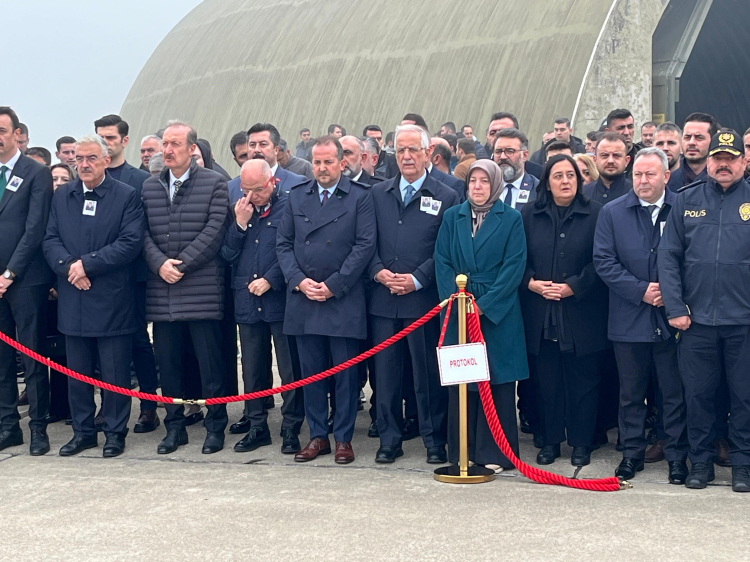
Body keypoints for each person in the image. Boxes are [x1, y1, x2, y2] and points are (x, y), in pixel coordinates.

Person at [658, 129, 750, 492]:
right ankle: (700, 462)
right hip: (695, 321)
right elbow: (668, 257)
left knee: (744, 397)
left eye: (730, 159)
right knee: (698, 396)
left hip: (743, 321)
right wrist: (675, 307)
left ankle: (742, 463)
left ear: (742, 161)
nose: (724, 165)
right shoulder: (686, 199)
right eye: (718, 158)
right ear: (709, 162)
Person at [42, 134, 145, 457]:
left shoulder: (126, 195)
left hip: (112, 299)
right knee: (78, 374)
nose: (84, 165)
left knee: (114, 374)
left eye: (91, 158)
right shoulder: (63, 196)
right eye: (79, 159)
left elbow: (130, 243)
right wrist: (69, 267)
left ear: (105, 161)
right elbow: (50, 239)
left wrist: (87, 265)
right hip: (73, 296)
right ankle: (83, 432)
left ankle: (115, 432)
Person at [276, 135, 376, 464]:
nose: (321, 168)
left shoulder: (360, 196)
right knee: (312, 373)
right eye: (317, 162)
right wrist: (298, 281)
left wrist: (335, 284)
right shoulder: (296, 196)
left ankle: (343, 437)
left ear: (342, 163)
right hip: (305, 298)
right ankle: (318, 436)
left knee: (345, 375)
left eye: (328, 162)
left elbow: (364, 245)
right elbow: (283, 244)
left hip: (341, 298)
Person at [593, 147, 688, 483]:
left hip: (670, 318)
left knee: (672, 393)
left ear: (666, 176)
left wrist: (670, 293)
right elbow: (603, 261)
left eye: (650, 174)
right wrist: (641, 290)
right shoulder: (612, 212)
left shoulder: (683, 209)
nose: (643, 180)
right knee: (631, 394)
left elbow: (693, 257)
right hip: (629, 317)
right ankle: (632, 453)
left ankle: (677, 456)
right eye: (637, 174)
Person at [368, 124, 459, 464]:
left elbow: (447, 249)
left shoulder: (447, 196)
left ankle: (434, 440)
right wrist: (377, 271)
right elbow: (365, 241)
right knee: (386, 376)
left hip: (423, 301)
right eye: (400, 150)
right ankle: (389, 440)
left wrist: (418, 279)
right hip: (383, 300)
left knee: (427, 375)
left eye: (413, 150)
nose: (406, 156)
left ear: (427, 153)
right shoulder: (377, 193)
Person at [141, 120, 230, 455]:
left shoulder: (214, 182)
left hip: (200, 289)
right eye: (165, 144)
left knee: (210, 366)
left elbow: (215, 230)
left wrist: (181, 264)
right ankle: (175, 428)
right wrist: (159, 263)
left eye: (175, 144)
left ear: (192, 149)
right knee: (169, 367)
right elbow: (142, 232)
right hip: (162, 291)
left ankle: (215, 427)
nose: (168, 150)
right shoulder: (150, 186)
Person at [435, 159, 528, 473]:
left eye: (484, 181)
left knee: (496, 381)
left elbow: (514, 266)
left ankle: (496, 453)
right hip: (459, 306)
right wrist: (456, 299)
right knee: (463, 377)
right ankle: (463, 450)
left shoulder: (511, 218)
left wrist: (485, 304)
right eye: (473, 180)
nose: (477, 186)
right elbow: (442, 260)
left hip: (496, 311)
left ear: (496, 185)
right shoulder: (452, 216)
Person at [520, 154, 608, 467]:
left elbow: (603, 260)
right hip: (541, 312)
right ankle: (550, 441)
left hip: (582, 312)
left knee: (584, 382)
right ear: (547, 182)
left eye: (570, 175)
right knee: (547, 382)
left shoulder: (597, 213)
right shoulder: (529, 214)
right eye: (558, 176)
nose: (565, 181)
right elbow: (517, 257)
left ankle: (582, 443)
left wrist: (575, 285)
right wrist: (531, 282)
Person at [220, 160, 304, 454]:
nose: (252, 196)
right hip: (246, 299)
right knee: (252, 368)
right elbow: (227, 254)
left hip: (279, 299)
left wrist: (272, 279)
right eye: (246, 190)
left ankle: (291, 425)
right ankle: (257, 425)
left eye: (258, 189)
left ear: (272, 182)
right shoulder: (238, 209)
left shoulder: (289, 206)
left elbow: (294, 252)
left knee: (289, 367)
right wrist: (239, 224)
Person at [94, 114, 160, 434]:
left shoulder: (141, 180)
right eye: (100, 137)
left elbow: (145, 231)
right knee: (103, 345)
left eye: (110, 137)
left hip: (132, 276)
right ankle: (109, 406)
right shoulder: (90, 179)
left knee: (137, 341)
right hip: (98, 277)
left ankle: (148, 406)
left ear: (124, 140)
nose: (105, 143)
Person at [0, 107, 54, 456]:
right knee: (2, 359)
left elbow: (34, 230)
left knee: (32, 355)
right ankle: (8, 425)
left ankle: (38, 427)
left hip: (25, 280)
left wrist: (9, 274)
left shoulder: (35, 173)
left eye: (1, 130)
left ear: (16, 134)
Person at [228, 123, 307, 203]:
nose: (256, 150)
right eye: (252, 145)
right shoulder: (231, 188)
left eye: (263, 144)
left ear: (276, 150)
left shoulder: (297, 183)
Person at [667, 112, 718, 191]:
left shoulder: (721, 181)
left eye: (699, 137)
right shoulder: (666, 183)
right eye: (687, 137)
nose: (691, 142)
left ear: (713, 141)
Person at [491, 128, 539, 212]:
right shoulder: (483, 187)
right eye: (498, 151)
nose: (503, 157)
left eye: (510, 151)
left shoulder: (537, 189)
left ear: (524, 155)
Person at [482, 112, 541, 178]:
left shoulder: (539, 174)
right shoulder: (479, 171)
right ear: (486, 138)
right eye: (492, 133)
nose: (497, 137)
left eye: (504, 132)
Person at [584, 132, 632, 204]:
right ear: (595, 160)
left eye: (616, 155)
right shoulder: (583, 194)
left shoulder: (636, 194)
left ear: (626, 161)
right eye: (605, 155)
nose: (610, 161)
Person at [604, 108, 642, 177]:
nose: (627, 132)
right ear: (608, 132)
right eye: (621, 128)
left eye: (630, 127)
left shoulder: (644, 157)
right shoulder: (601, 160)